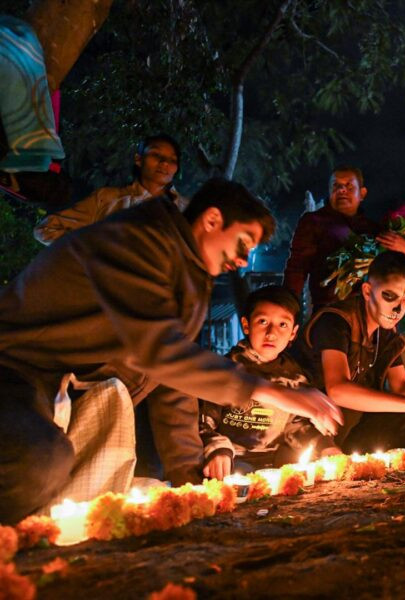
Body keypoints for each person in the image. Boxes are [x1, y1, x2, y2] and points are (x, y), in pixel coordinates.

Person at [0, 177, 342, 524]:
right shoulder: (137, 243)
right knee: (37, 461)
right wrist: (268, 390)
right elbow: (160, 353)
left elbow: (172, 382)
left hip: (66, 388)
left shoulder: (188, 279)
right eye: (242, 243)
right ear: (211, 221)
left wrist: (190, 482)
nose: (242, 260)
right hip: (14, 366)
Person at [300, 251, 405, 454]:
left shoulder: (386, 334)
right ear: (368, 291)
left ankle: (371, 466)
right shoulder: (336, 321)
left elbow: (400, 385)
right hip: (312, 425)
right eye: (389, 296)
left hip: (353, 423)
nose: (398, 309)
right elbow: (338, 389)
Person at [200, 285, 327, 480]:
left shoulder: (295, 378)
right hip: (232, 464)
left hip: (277, 466)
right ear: (246, 325)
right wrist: (219, 451)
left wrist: (325, 447)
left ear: (293, 333)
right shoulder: (226, 370)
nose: (271, 333)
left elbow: (297, 427)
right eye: (263, 321)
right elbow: (203, 423)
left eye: (282, 325)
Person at [283, 165, 405, 311]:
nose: (342, 190)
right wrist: (287, 307)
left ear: (362, 194)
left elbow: (393, 274)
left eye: (349, 186)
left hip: (370, 313)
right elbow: (297, 268)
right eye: (336, 185)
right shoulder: (314, 222)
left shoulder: (375, 230)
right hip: (329, 312)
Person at [34, 134, 188, 244]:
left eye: (172, 159)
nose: (164, 163)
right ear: (139, 159)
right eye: (156, 154)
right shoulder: (107, 199)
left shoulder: (188, 210)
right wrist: (92, 251)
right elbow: (47, 229)